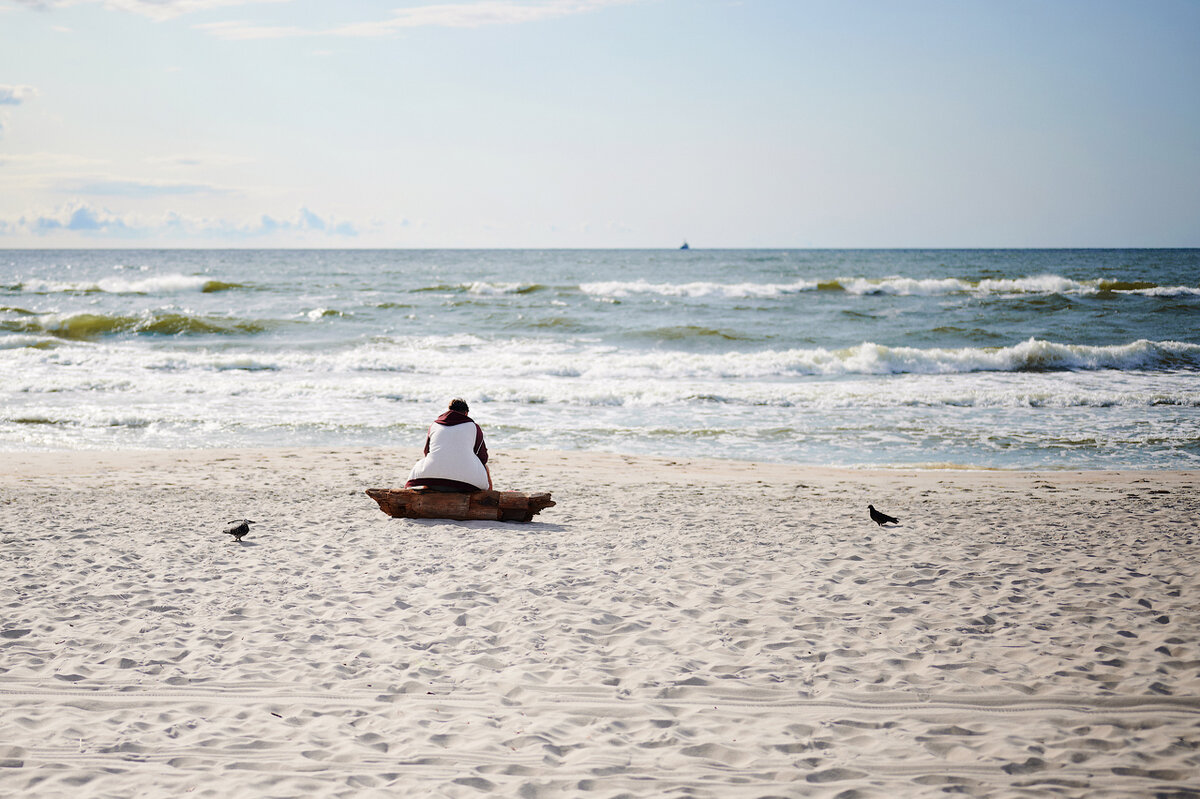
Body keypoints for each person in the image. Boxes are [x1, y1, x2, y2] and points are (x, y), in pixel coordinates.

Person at [406, 398, 492, 492]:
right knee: (485, 467)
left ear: (449, 410)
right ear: (466, 413)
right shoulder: (474, 427)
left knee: (430, 467)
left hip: (432, 481)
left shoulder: (434, 425)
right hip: (464, 485)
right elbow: (483, 457)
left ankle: (425, 500)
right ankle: (491, 500)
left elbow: (427, 452)